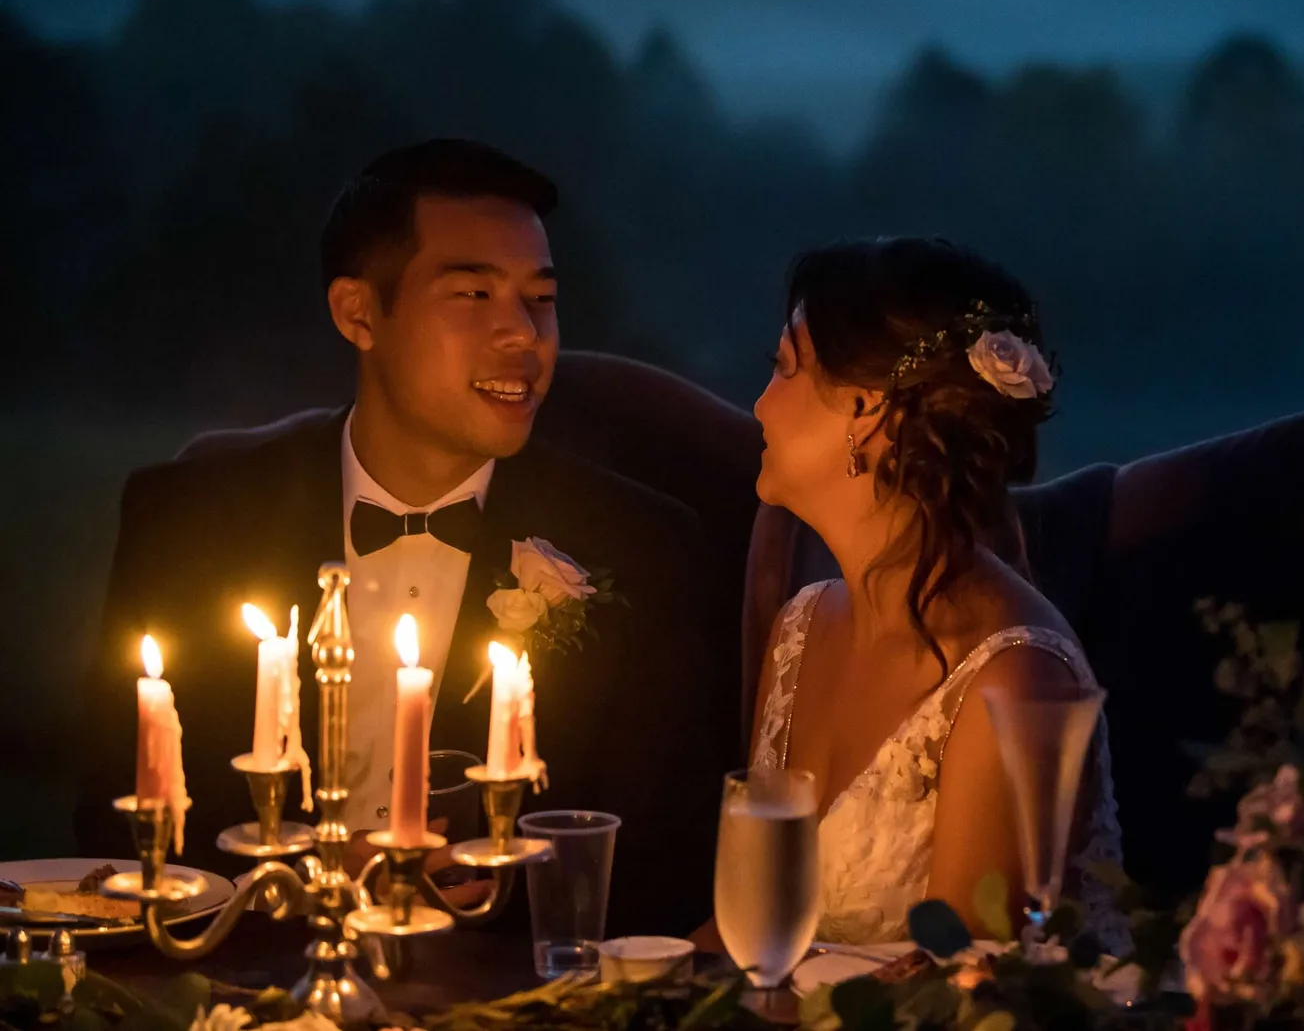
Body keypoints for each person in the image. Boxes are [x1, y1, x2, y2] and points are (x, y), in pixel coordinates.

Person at [74, 139, 739, 936]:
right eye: (472, 295)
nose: (522, 336)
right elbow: (111, 815)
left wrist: (502, 872)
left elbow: (668, 854)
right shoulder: (191, 519)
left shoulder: (641, 543)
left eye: (541, 299)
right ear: (358, 312)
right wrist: (303, 867)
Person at [747, 237, 1125, 946]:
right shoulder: (798, 631)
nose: (761, 404)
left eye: (784, 369)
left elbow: (963, 991)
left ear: (865, 408)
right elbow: (754, 927)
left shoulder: (1011, 679)